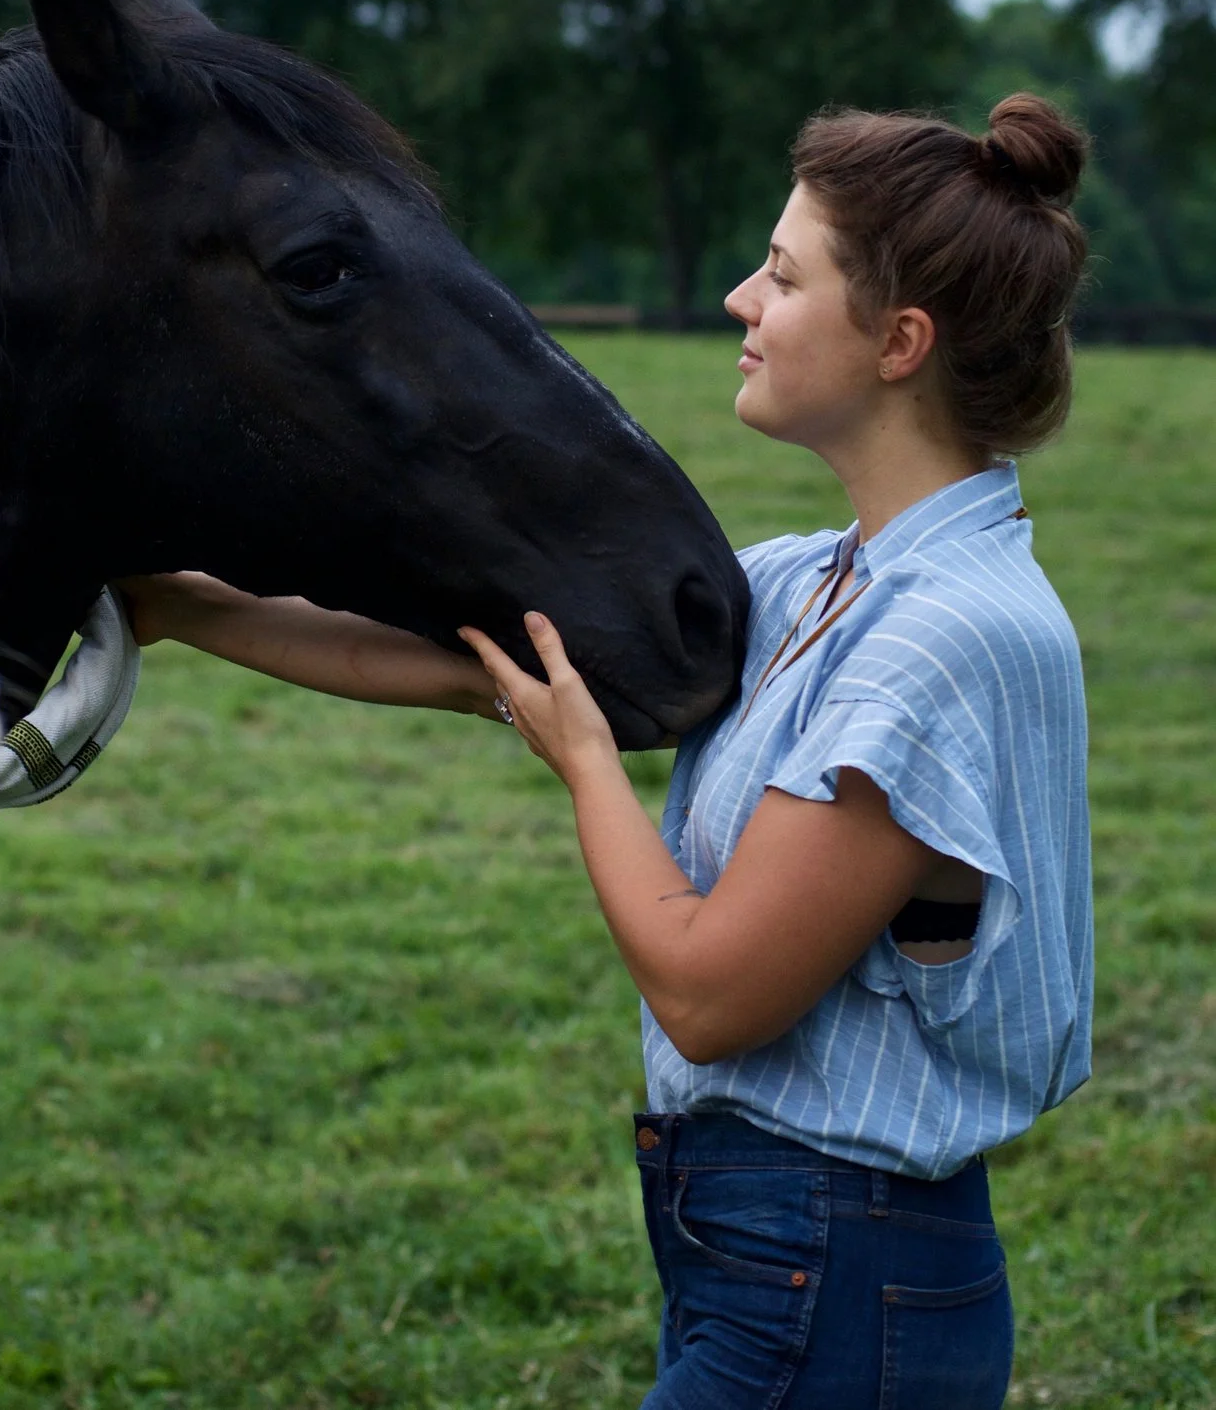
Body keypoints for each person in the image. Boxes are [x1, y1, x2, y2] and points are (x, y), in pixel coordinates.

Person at [119, 94, 1094, 1410]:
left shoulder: (949, 639)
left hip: (842, 1278)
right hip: (763, 1260)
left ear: (899, 341)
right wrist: (186, 601)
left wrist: (587, 765)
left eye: (786, 275)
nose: (745, 299)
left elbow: (708, 991)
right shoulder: (817, 585)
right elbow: (475, 662)